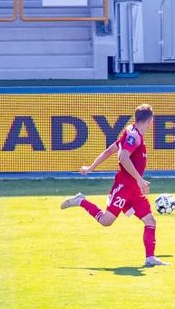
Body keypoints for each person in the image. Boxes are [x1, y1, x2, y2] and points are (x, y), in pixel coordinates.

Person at [60, 103, 166, 268]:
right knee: (106, 221)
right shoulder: (134, 136)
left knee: (150, 220)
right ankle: (81, 201)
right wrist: (139, 179)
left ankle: (150, 258)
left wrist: (91, 168)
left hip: (134, 190)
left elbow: (110, 150)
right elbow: (123, 157)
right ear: (150, 120)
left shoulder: (131, 131)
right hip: (124, 187)